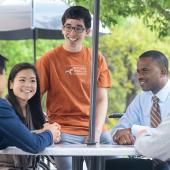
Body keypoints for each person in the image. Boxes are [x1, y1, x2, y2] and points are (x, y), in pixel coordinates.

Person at [36, 5, 112, 170]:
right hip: (63, 130)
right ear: (62, 29)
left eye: (79, 28)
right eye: (68, 27)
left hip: (95, 129)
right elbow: (33, 98)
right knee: (67, 166)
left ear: (88, 31)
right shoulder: (48, 59)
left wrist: (96, 133)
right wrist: (43, 123)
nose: (72, 33)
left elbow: (101, 100)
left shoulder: (97, 58)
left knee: (117, 162)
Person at [108, 50, 170, 170]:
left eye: (145, 71)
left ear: (163, 72)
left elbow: (163, 138)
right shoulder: (142, 98)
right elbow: (118, 129)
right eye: (138, 72)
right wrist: (120, 135)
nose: (139, 76)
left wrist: (134, 130)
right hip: (146, 160)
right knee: (113, 165)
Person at [0, 61, 61, 169]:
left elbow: (46, 141)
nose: (28, 85)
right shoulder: (4, 110)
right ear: (10, 84)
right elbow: (33, 143)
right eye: (22, 80)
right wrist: (49, 133)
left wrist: (54, 134)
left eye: (33, 81)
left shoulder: (37, 113)